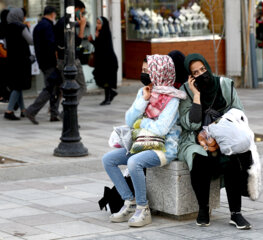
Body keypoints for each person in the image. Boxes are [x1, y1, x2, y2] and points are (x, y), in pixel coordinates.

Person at [102, 55, 186, 227]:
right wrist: (143, 101)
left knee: (134, 162)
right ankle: (130, 201)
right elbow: (129, 120)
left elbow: (162, 129)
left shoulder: (173, 99)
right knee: (108, 160)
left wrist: (142, 122)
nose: (144, 75)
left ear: (159, 73)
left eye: (148, 71)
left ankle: (143, 208)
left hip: (164, 147)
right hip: (141, 143)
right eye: (143, 71)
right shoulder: (144, 92)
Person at [177, 53, 252, 229]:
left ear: (207, 67)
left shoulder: (224, 85)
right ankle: (203, 210)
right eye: (195, 72)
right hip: (195, 139)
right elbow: (191, 123)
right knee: (199, 160)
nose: (202, 74)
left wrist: (219, 130)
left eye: (203, 69)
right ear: (190, 76)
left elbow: (238, 112)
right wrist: (196, 95)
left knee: (231, 161)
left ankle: (236, 214)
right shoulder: (185, 90)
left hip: (224, 136)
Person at [25, 6, 61, 124]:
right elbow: (51, 45)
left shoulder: (38, 26)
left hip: (42, 62)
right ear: (52, 14)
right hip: (50, 62)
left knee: (54, 87)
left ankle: (54, 113)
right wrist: (56, 61)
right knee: (50, 87)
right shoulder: (48, 26)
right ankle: (32, 110)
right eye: (55, 14)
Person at [55, 0, 87, 106]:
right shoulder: (68, 22)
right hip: (70, 60)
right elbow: (75, 43)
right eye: (81, 12)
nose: (81, 15)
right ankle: (68, 110)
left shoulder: (63, 21)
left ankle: (56, 110)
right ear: (76, 9)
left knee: (64, 87)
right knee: (81, 87)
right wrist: (82, 27)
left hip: (61, 59)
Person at [4, 8, 33, 120]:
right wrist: (29, 29)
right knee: (18, 85)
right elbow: (31, 41)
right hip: (22, 60)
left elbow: (6, 45)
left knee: (17, 85)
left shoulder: (7, 28)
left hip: (11, 60)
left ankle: (23, 110)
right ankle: (9, 110)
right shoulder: (21, 27)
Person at [88, 16, 118, 105]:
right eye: (97, 23)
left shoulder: (105, 33)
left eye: (99, 23)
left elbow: (103, 47)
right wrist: (93, 40)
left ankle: (108, 98)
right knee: (100, 78)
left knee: (106, 80)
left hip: (108, 62)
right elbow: (99, 47)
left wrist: (95, 39)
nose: (97, 25)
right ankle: (111, 94)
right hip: (103, 61)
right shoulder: (100, 33)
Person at [0, 9, 10, 103]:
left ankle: (3, 95)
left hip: (1, 57)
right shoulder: (8, 27)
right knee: (7, 77)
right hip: (7, 56)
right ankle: (6, 95)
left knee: (2, 77)